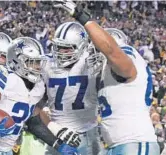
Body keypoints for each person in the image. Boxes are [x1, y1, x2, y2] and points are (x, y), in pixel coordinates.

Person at [53, 1, 160, 154]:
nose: (94, 53)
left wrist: (82, 17)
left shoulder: (126, 55)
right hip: (118, 146)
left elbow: (112, 52)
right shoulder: (107, 75)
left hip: (134, 143)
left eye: (97, 49)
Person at [0, 37, 79, 155]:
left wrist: (57, 144)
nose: (37, 66)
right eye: (32, 62)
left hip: (7, 150)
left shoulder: (39, 86)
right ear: (17, 61)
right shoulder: (5, 79)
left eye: (38, 61)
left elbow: (33, 122)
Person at [40, 21, 103, 155]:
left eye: (67, 48)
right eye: (59, 47)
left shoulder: (92, 62)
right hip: (57, 134)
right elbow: (36, 104)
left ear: (81, 46)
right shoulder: (46, 64)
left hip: (87, 133)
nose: (62, 52)